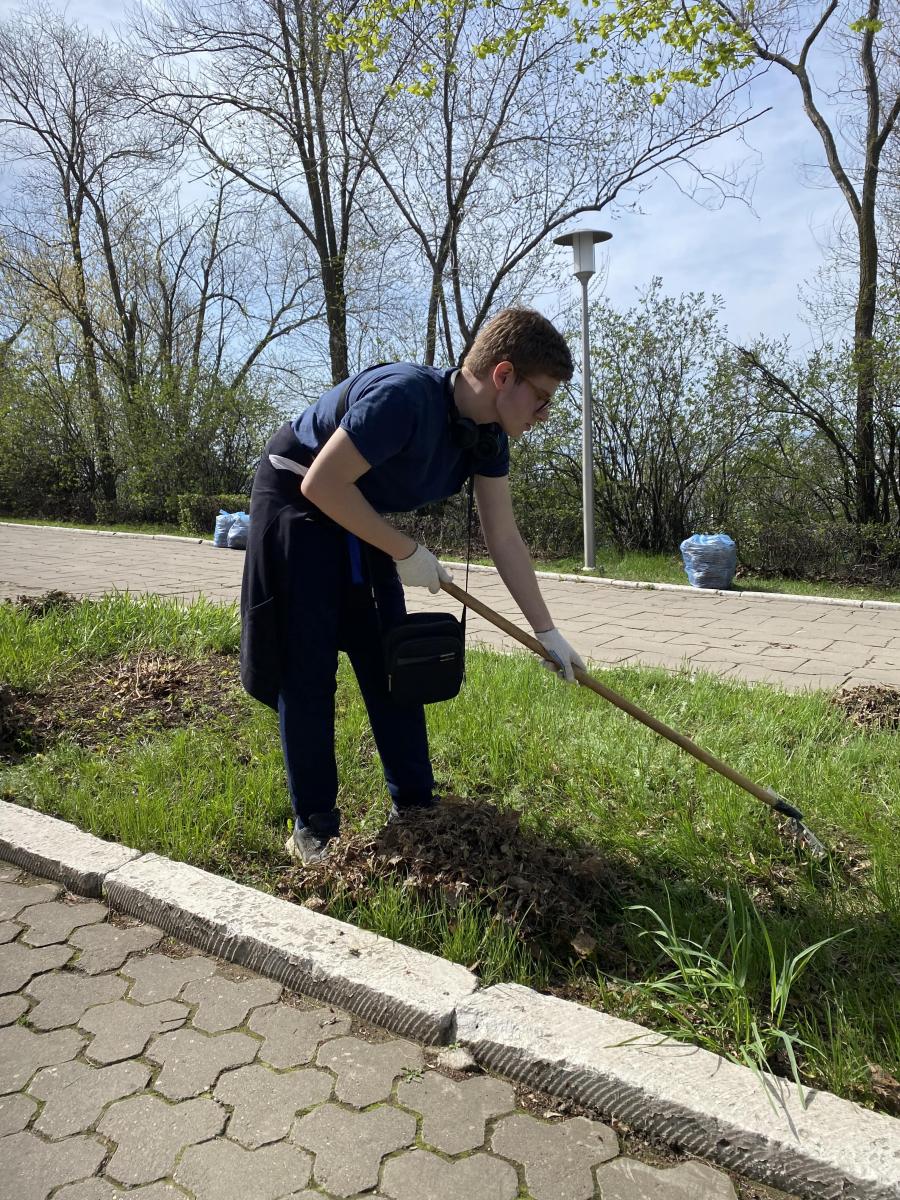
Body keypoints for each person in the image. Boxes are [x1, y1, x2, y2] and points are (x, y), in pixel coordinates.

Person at [240, 307, 587, 864]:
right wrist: (405, 551)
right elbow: (321, 482)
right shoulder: (403, 399)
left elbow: (504, 536)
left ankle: (417, 810)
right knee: (308, 670)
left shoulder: (487, 438)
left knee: (391, 663)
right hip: (297, 501)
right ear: (503, 376)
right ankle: (315, 830)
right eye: (542, 397)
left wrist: (547, 632)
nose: (545, 414)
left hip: (357, 508)